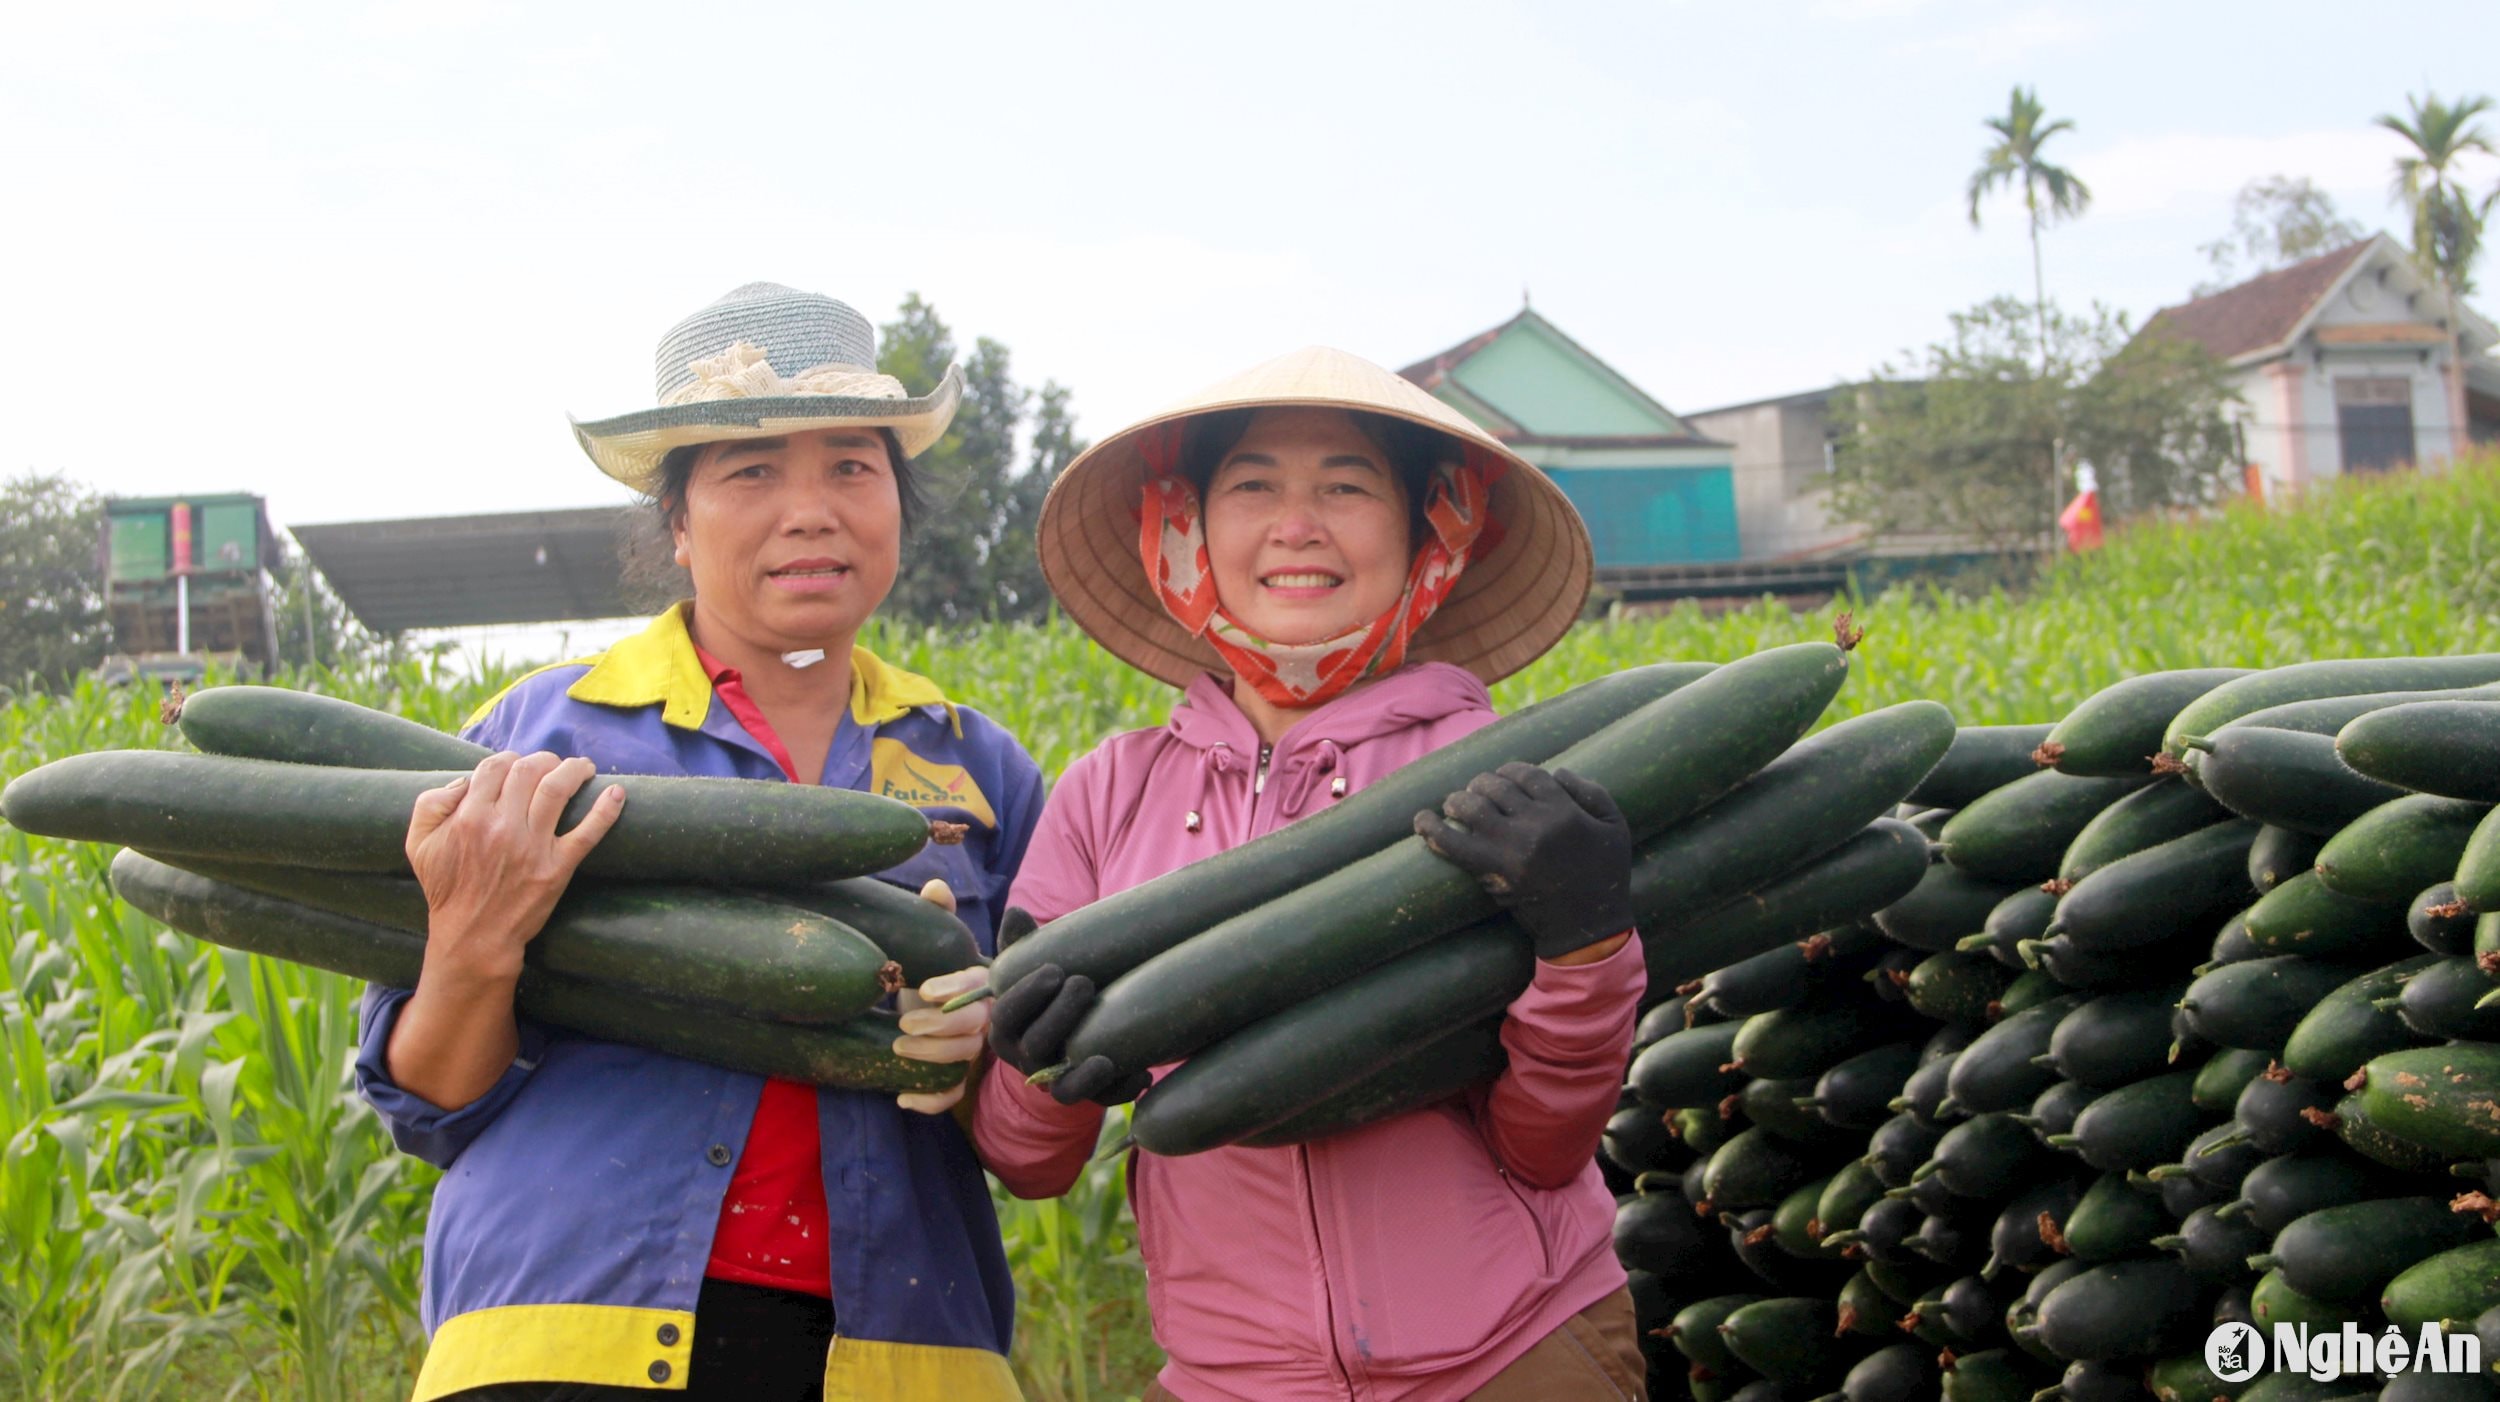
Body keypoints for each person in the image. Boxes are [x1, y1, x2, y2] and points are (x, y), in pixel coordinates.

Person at [353, 283, 1042, 1402]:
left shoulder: (986, 769)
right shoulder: (535, 740)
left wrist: (977, 1054)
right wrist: (472, 947)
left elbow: (1037, 1120)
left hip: (907, 1355)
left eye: (851, 467)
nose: (810, 509)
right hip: (559, 1344)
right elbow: (428, 1100)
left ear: (897, 505)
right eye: (751, 472)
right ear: (677, 523)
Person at [952, 346, 1649, 1400]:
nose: (1297, 522)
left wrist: (1585, 941)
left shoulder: (1514, 786)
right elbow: (1030, 1161)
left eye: (1346, 484)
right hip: (1229, 1379)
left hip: (1516, 1353)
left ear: (1429, 531)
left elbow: (1545, 1148)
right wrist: (1040, 1070)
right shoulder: (1107, 795)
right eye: (1253, 485)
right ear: (1185, 529)